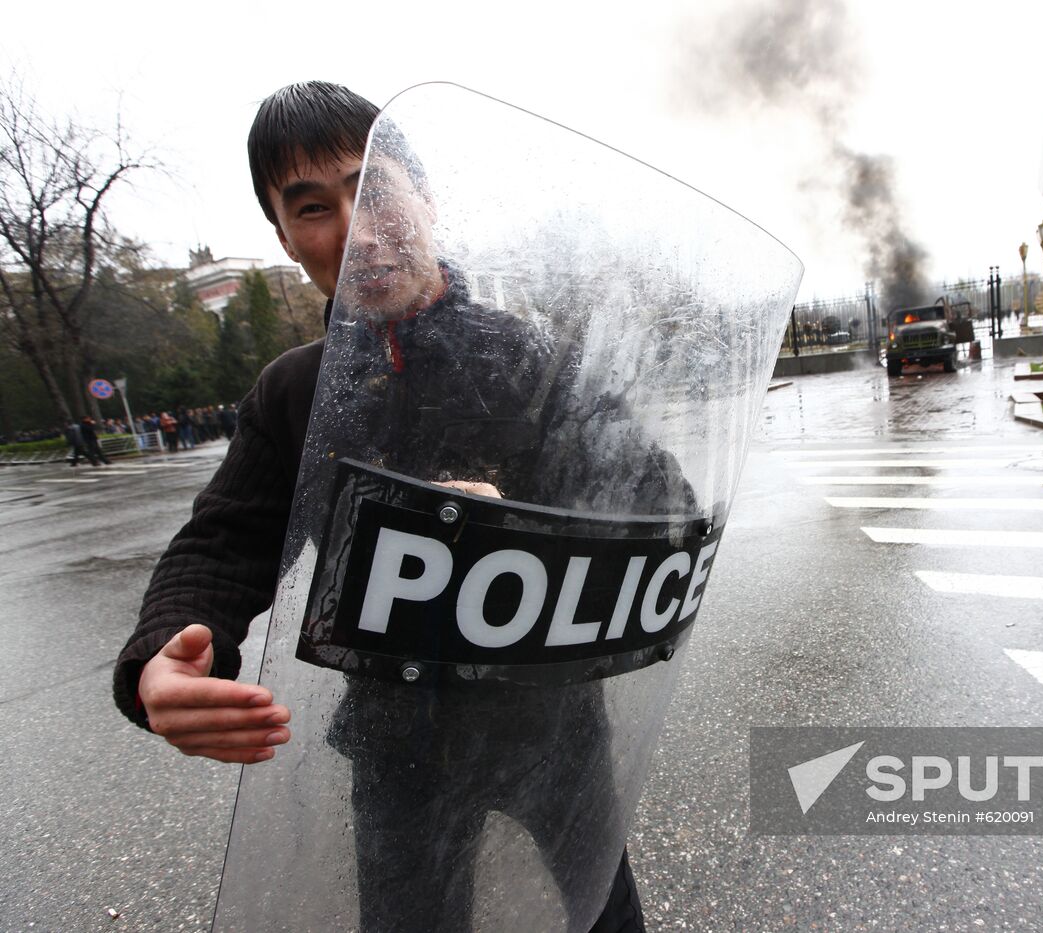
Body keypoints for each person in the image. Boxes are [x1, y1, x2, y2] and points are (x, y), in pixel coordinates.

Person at [114, 81, 653, 932]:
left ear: (426, 196)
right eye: (314, 206)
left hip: (552, 730)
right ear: (285, 237)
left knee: (606, 918)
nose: (359, 230)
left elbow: (656, 507)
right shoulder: (293, 392)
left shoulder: (534, 360)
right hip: (393, 748)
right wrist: (165, 655)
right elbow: (220, 544)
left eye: (377, 188)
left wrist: (515, 524)